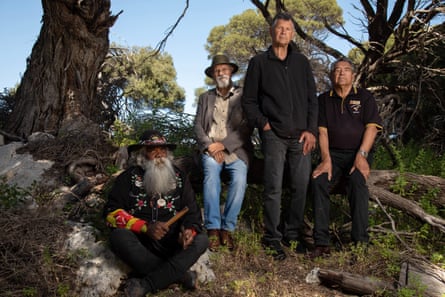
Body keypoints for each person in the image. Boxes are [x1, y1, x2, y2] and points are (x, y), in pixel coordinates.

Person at [242, 13, 318, 260]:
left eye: (288, 29)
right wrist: (263, 124)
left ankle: (293, 235)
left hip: (301, 137)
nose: (283, 32)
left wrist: (311, 130)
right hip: (273, 135)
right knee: (273, 188)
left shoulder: (302, 63)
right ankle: (272, 238)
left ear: (293, 34)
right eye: (279, 28)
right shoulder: (259, 63)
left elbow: (311, 101)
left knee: (301, 186)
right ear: (272, 32)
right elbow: (249, 101)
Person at [103, 130, 209, 297]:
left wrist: (189, 231)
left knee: (202, 240)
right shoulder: (127, 178)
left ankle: (147, 284)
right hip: (141, 245)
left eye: (163, 149)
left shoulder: (180, 177)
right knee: (119, 237)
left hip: (173, 244)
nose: (160, 154)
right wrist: (145, 227)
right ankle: (178, 275)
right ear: (141, 155)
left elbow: (193, 214)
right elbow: (111, 213)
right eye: (153, 150)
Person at [310, 57, 383, 258]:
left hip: (358, 152)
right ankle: (322, 243)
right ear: (331, 75)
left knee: (358, 182)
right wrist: (326, 159)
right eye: (337, 70)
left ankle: (360, 243)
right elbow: (322, 132)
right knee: (319, 181)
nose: (341, 73)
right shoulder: (323, 99)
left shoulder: (365, 97)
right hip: (332, 153)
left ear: (353, 74)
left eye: (346, 69)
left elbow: (371, 129)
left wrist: (362, 156)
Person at [194, 54, 252, 251]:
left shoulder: (244, 95)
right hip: (211, 149)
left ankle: (227, 228)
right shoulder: (205, 97)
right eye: (217, 70)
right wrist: (210, 146)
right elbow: (197, 127)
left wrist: (225, 145)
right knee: (211, 176)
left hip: (235, 150)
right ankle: (212, 227)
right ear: (212, 75)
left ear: (231, 72)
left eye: (224, 69)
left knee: (239, 180)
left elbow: (246, 126)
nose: (221, 73)